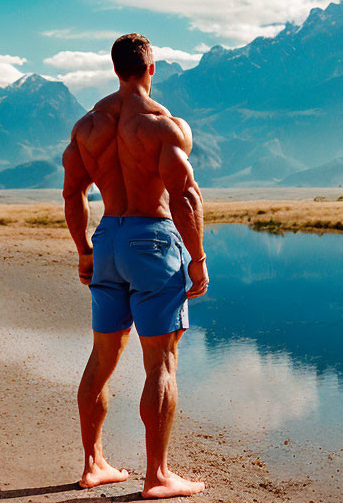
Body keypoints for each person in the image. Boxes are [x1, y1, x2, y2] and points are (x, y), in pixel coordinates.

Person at [62, 33, 209, 499]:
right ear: (151, 69)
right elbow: (184, 195)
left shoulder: (87, 127)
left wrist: (85, 250)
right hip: (152, 241)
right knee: (161, 361)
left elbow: (72, 194)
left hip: (107, 240)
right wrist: (198, 260)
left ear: (115, 69)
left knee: (102, 357)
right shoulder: (164, 126)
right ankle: (158, 474)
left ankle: (93, 464)